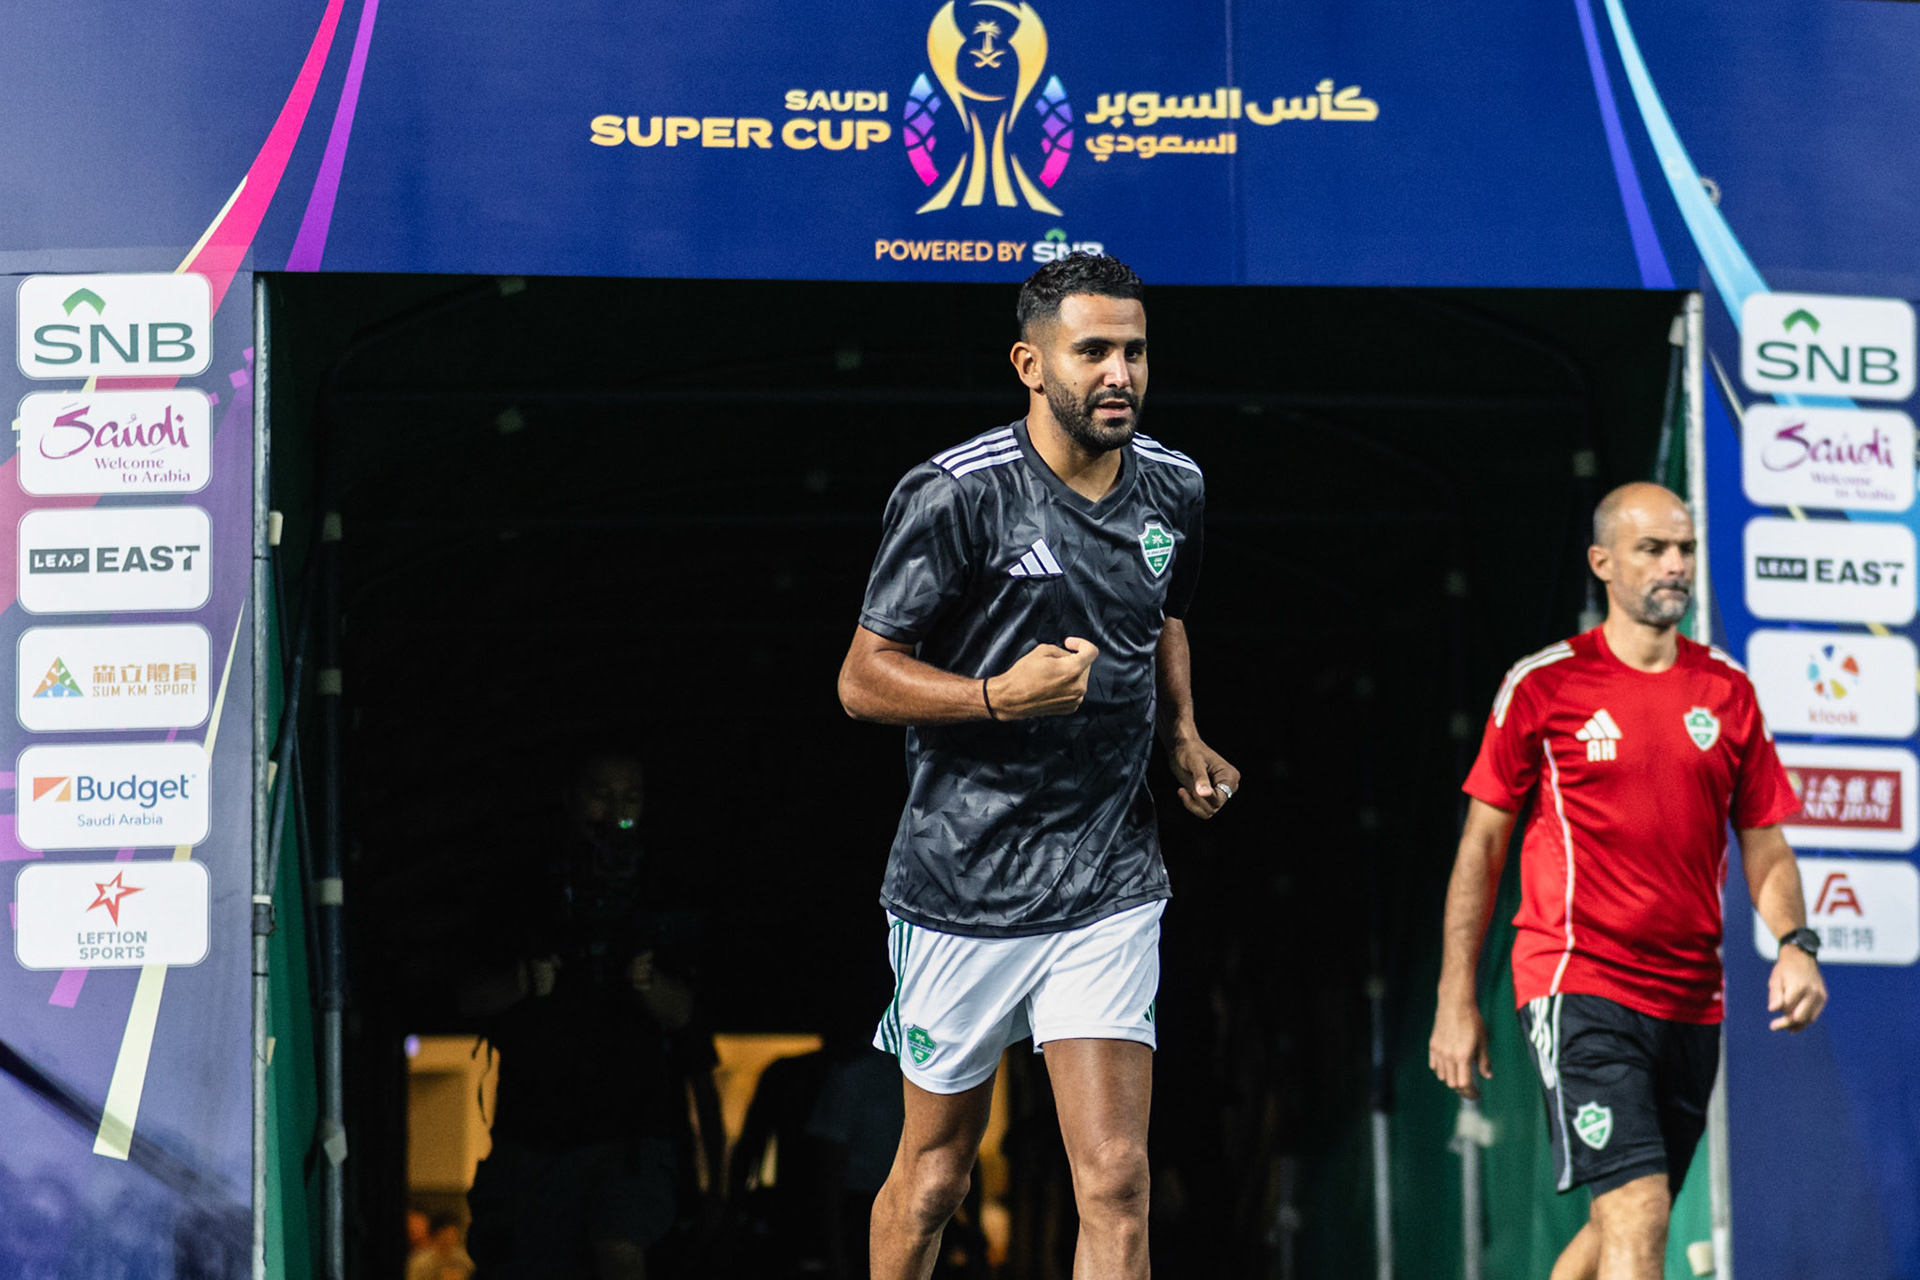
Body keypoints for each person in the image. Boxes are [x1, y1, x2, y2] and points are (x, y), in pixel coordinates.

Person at [837, 252, 1239, 1280]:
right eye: (1093, 350)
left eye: (1135, 351)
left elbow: (1168, 615)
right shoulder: (954, 494)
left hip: (1108, 875)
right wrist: (993, 696)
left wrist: (1182, 731)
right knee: (932, 1178)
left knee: (1115, 1177)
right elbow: (861, 677)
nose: (1120, 373)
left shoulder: (1176, 486)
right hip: (960, 884)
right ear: (1030, 363)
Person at [1428, 482, 1828, 1280]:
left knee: (1616, 1228)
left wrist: (1796, 943)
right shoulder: (1544, 685)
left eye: (1684, 548)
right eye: (1654, 549)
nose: (1675, 565)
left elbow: (1767, 844)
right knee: (1639, 1216)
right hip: (1579, 984)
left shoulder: (1727, 690)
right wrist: (1454, 996)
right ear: (1602, 562)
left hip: (1690, 1000)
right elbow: (1481, 847)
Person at [462, 747, 723, 1280]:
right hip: (532, 1143)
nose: (616, 810)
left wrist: (648, 982)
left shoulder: (663, 891)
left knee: (619, 1248)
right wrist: (522, 981)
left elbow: (688, 1022)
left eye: (631, 797)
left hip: (629, 1141)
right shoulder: (523, 890)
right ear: (571, 799)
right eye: (601, 794)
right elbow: (465, 995)